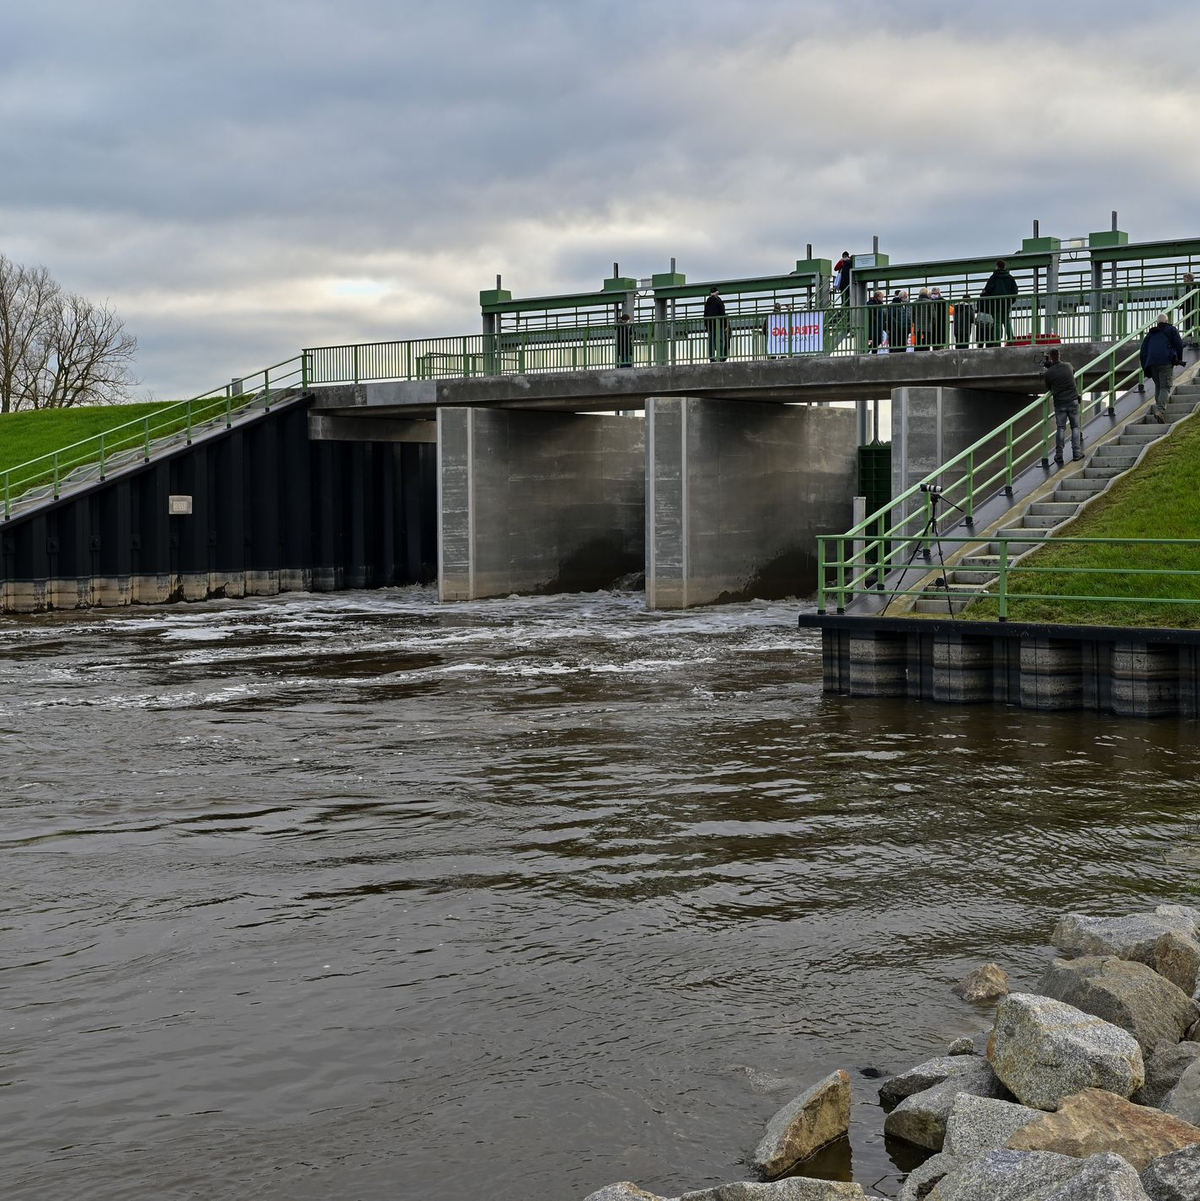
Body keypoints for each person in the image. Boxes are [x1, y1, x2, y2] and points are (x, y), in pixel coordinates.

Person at [1139, 312, 1185, 422]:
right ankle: (1160, 411)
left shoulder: (1150, 334)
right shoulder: (1171, 330)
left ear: (1157, 322)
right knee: (1165, 386)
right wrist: (1178, 359)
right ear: (1167, 321)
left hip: (1152, 363)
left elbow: (1142, 352)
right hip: (1165, 362)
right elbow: (1179, 344)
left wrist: (1145, 367)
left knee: (1158, 386)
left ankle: (1159, 410)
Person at [1043, 347, 1082, 465]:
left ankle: (1059, 455)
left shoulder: (1048, 373)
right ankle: (1076, 453)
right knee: (1075, 427)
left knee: (1060, 428)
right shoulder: (1068, 366)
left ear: (1050, 358)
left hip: (1060, 403)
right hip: (1073, 400)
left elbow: (1048, 387)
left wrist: (1049, 368)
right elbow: (1073, 373)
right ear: (1059, 355)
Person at [979, 259, 1019, 344]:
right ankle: (1011, 340)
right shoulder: (1010, 277)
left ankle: (997, 342)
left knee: (997, 323)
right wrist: (1010, 301)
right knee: (1007, 322)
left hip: (995, 303)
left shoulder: (994, 277)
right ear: (1004, 267)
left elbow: (988, 290)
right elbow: (1015, 291)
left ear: (997, 266)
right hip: (1006, 303)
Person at [704, 285, 728, 362]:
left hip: (710, 325)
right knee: (720, 341)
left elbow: (705, 315)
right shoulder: (719, 301)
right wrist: (725, 325)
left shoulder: (707, 302)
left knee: (711, 342)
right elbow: (722, 313)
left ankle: (712, 358)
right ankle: (720, 356)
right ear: (717, 293)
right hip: (719, 325)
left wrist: (706, 326)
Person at [886, 289, 911, 354]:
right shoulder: (895, 305)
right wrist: (899, 325)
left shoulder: (903, 305)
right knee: (897, 348)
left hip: (903, 330)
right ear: (902, 297)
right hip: (897, 331)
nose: (907, 298)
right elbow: (890, 317)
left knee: (902, 347)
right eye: (906, 297)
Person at [1181, 272, 1199, 344]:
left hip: (1195, 308)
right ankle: (1189, 338)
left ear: (1189, 279)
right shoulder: (1187, 287)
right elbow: (1188, 298)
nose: (1183, 281)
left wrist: (1183, 297)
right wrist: (1182, 306)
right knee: (1187, 323)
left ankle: (1197, 337)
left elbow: (1193, 297)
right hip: (1188, 309)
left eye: (1185, 279)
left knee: (1197, 322)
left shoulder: (1197, 286)